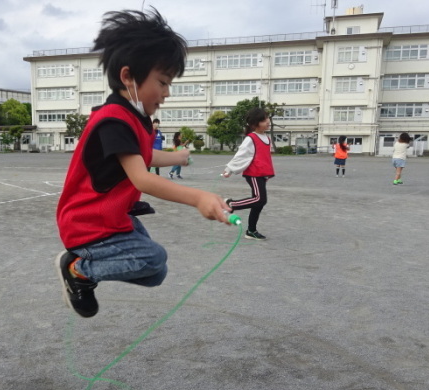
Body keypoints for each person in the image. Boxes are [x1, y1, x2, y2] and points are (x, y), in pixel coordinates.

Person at [55, 8, 231, 318]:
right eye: (162, 82)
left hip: (112, 218)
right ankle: (78, 269)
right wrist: (199, 197)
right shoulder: (113, 120)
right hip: (88, 223)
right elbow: (142, 178)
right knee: (153, 257)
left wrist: (177, 157)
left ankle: (85, 268)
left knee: (155, 272)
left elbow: (143, 157)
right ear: (128, 77)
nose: (166, 93)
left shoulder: (136, 119)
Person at [222, 107, 274, 240]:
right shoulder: (251, 138)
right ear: (254, 124)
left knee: (259, 203)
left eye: (267, 118)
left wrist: (266, 174)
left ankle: (251, 230)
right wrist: (229, 169)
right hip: (253, 173)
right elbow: (241, 155)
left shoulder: (266, 138)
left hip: (261, 174)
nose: (267, 121)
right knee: (259, 199)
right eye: (263, 120)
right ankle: (231, 204)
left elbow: (265, 158)